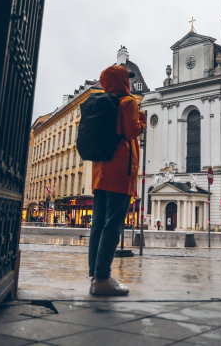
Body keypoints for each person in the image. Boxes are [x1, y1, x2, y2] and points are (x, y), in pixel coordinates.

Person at [89, 65, 146, 296]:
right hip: (121, 170)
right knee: (113, 225)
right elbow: (132, 131)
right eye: (127, 78)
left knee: (98, 224)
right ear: (123, 81)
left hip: (100, 172)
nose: (130, 83)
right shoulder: (128, 102)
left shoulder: (101, 104)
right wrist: (141, 119)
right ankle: (103, 278)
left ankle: (95, 275)